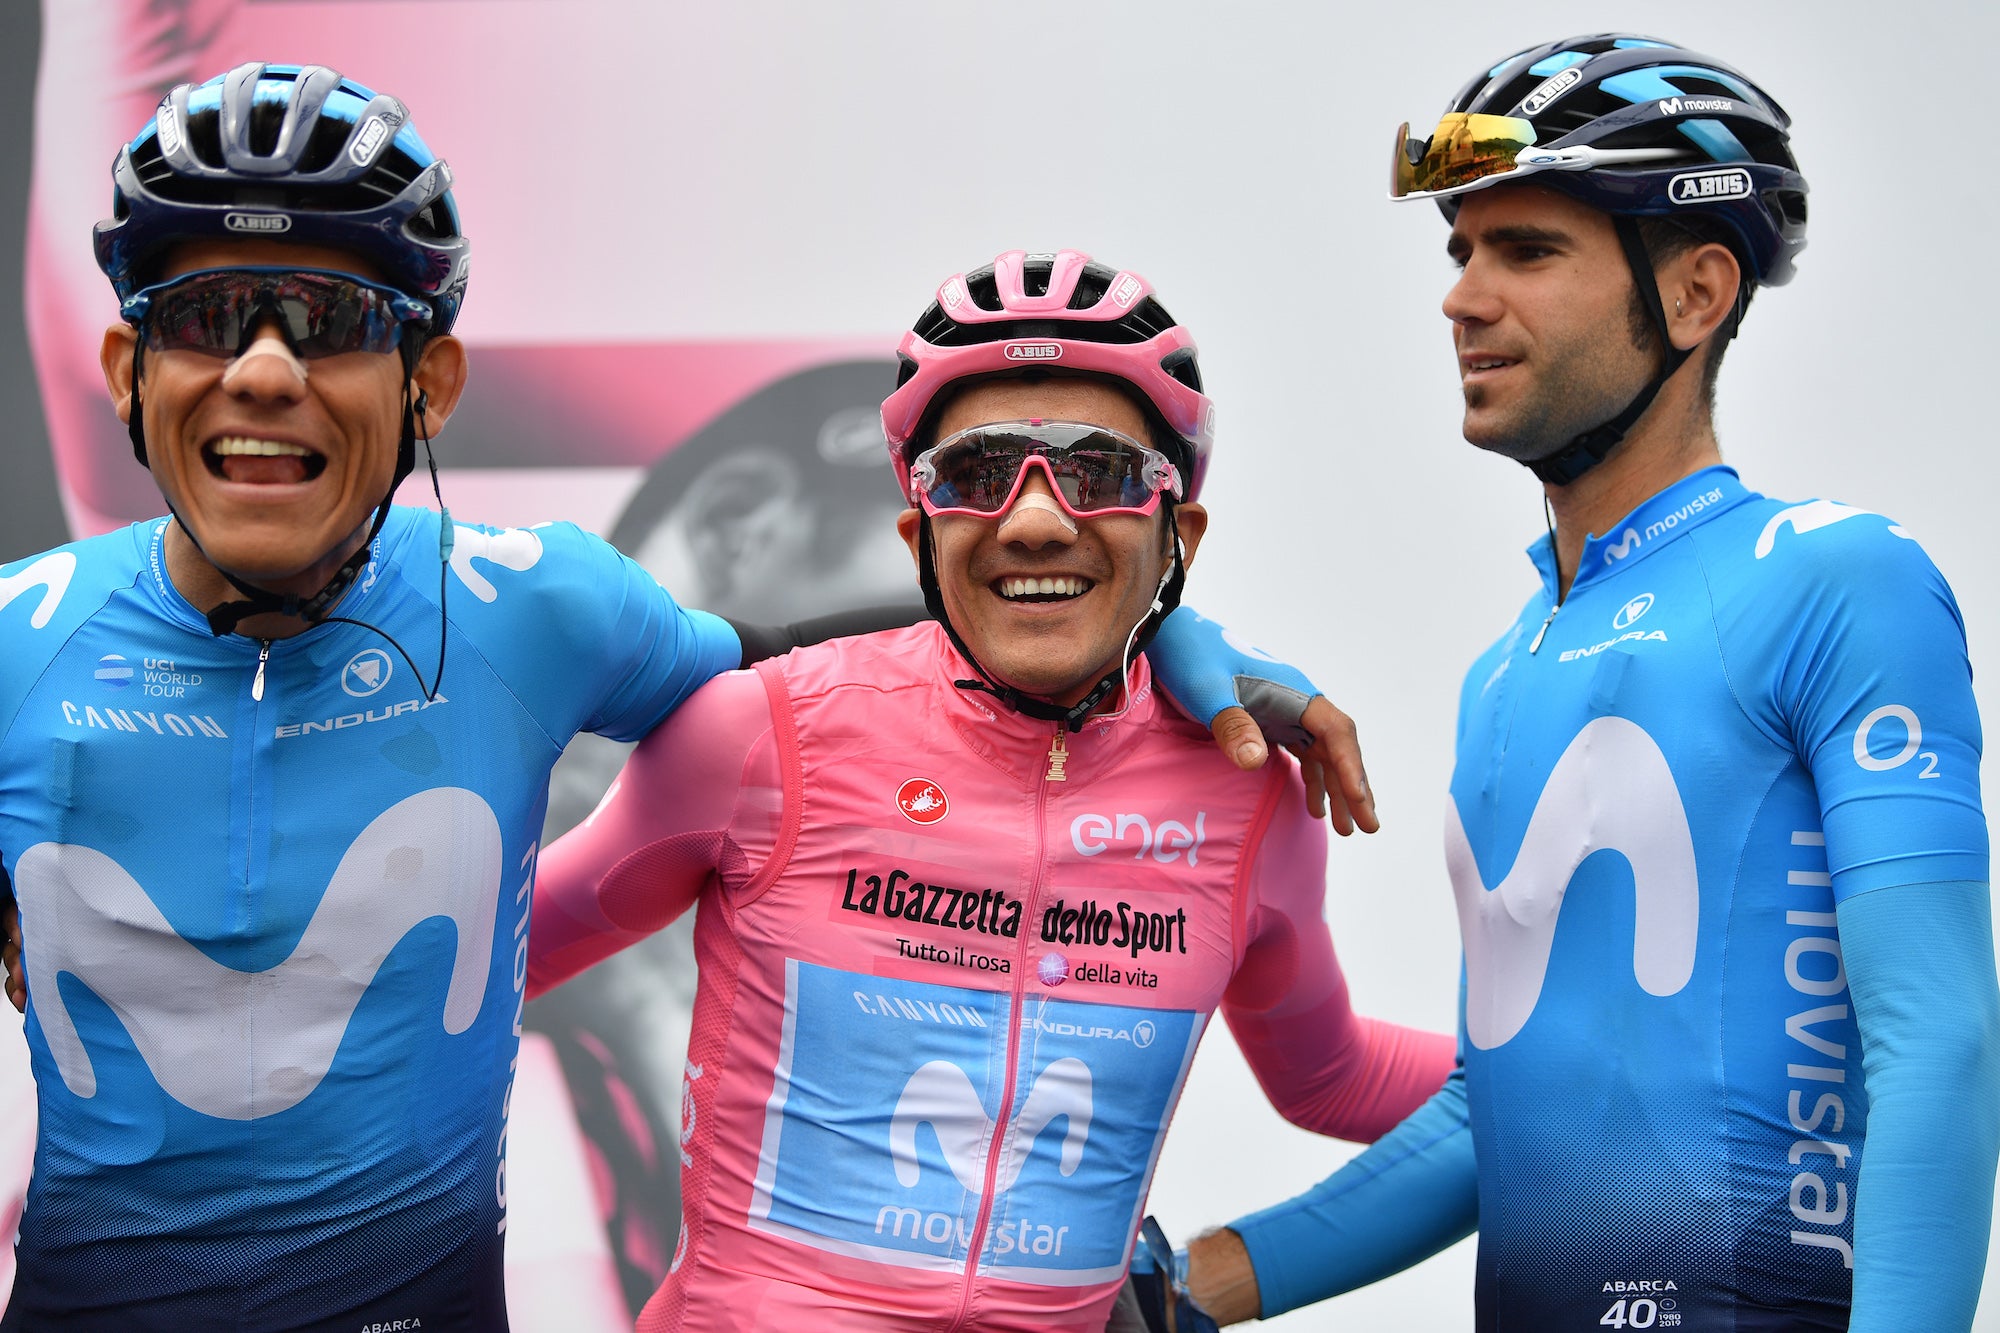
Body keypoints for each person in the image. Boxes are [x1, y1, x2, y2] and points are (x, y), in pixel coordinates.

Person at [0, 66, 1378, 1332]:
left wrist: (1178, 644)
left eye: (337, 322)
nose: (262, 369)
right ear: (128, 372)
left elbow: (868, 650)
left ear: (432, 383)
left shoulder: (538, 605)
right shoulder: (14, 645)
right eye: (201, 317)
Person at [1168, 33, 2000, 1333]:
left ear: (1697, 293)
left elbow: (1936, 1044)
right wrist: (1193, 1286)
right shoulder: (1507, 666)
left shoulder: (1837, 576)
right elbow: (1488, 1110)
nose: (1462, 296)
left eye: (1529, 252)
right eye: (1461, 252)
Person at [524, 249, 1458, 1332]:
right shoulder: (757, 731)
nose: (1034, 521)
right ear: (919, 529)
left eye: (1098, 470)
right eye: (977, 472)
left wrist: (1619, 1077)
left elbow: (1332, 1077)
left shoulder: (1248, 791)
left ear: (1177, 535)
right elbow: (461, 986)